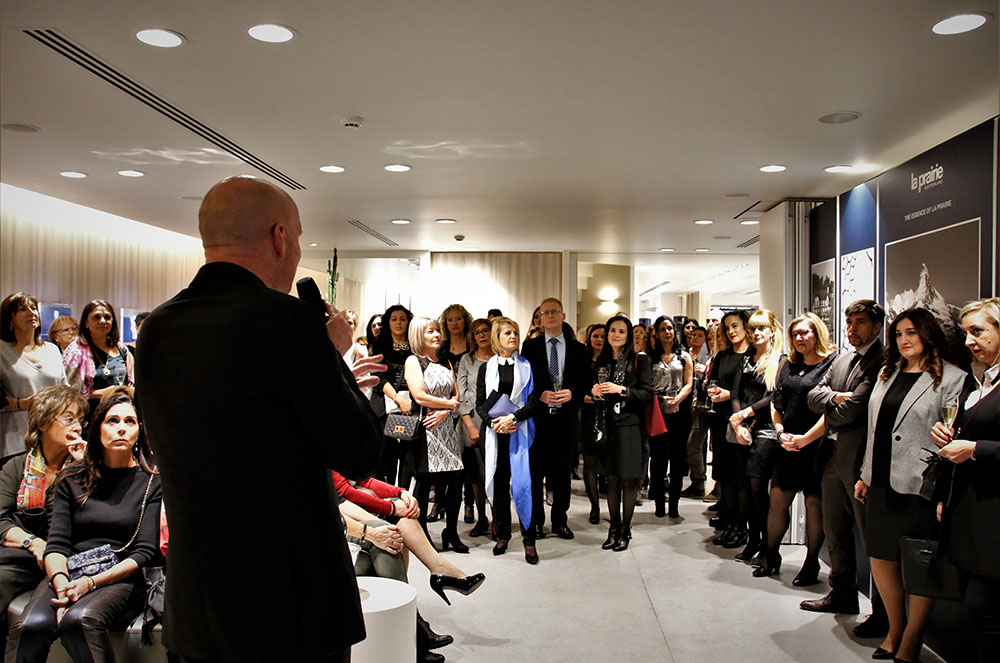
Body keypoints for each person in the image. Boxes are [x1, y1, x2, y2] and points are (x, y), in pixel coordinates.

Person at [135, 175, 382, 663]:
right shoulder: (291, 323)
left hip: (197, 605)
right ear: (279, 237)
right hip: (288, 607)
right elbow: (359, 452)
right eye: (298, 237)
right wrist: (335, 357)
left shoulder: (157, 329)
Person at [6, 392, 162, 663]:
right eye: (112, 421)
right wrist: (62, 583)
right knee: (30, 626)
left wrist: (89, 583)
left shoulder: (151, 481)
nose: (121, 428)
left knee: (79, 621)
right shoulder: (72, 479)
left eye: (129, 421)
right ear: (98, 428)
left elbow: (144, 552)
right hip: (70, 571)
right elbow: (56, 545)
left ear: (139, 431)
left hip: (121, 574)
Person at [855, 307, 967, 663]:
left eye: (911, 333)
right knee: (880, 558)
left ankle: (912, 638)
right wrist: (865, 474)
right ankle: (895, 629)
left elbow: (952, 434)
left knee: (919, 565)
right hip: (880, 481)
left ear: (928, 335)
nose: (904, 340)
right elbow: (876, 429)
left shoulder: (952, 378)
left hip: (921, 485)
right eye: (899, 334)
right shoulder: (887, 372)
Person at [803, 299, 888, 634]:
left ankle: (882, 612)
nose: (852, 328)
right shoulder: (842, 358)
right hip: (832, 455)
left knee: (871, 537)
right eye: (849, 321)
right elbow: (813, 397)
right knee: (834, 528)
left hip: (860, 460)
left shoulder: (882, 361)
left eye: (860, 322)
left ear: (877, 326)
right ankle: (842, 593)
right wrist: (837, 397)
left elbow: (856, 409)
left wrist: (832, 400)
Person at [930, 297, 1000, 663]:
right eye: (966, 333)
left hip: (993, 514)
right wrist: (948, 435)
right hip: (971, 511)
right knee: (979, 609)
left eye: (978, 331)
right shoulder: (980, 380)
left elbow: (980, 444)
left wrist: (974, 449)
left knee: (985, 609)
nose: (970, 341)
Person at [0, 385, 87, 651]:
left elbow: (91, 519)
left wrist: (83, 469)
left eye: (80, 420)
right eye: (69, 418)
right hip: (25, 558)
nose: (77, 427)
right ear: (44, 421)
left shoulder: (87, 467)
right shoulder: (17, 467)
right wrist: (33, 543)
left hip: (68, 558)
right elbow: (0, 519)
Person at [751, 312, 837, 580]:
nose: (799, 338)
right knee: (778, 500)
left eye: (805, 332)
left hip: (817, 446)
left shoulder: (832, 364)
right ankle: (770, 554)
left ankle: (811, 563)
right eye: (795, 334)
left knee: (814, 505)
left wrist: (806, 438)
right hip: (787, 444)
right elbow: (776, 404)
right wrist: (780, 433)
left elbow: (832, 410)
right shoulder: (788, 364)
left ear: (817, 333)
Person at [519, 298, 589, 540]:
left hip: (566, 419)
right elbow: (524, 382)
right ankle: (536, 522)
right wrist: (540, 395)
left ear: (563, 316)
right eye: (545, 312)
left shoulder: (578, 348)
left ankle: (560, 520)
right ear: (539, 318)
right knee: (535, 473)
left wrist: (572, 393)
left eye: (554, 311)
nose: (549, 316)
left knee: (562, 474)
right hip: (538, 419)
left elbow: (586, 381)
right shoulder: (530, 347)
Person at [475, 317, 540, 563]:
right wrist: (494, 422)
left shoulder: (527, 366)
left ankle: (529, 540)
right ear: (497, 338)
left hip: (520, 432)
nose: (513, 336)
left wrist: (513, 418)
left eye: (515, 332)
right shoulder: (487, 368)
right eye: (507, 333)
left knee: (524, 486)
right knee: (499, 486)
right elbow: (480, 403)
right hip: (495, 434)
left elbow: (533, 401)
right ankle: (502, 534)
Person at [723, 309, 784, 561]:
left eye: (761, 328)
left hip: (767, 428)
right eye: (752, 329)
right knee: (747, 488)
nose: (756, 333)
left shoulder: (780, 360)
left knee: (759, 488)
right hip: (744, 428)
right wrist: (738, 423)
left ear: (772, 330)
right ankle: (753, 540)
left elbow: (774, 395)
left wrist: (745, 413)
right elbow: (735, 392)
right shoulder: (747, 357)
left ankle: (768, 546)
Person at [403, 317, 466, 551]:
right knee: (424, 483)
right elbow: (419, 396)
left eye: (437, 330)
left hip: (447, 428)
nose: (437, 334)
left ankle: (451, 532)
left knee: (456, 481)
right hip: (426, 429)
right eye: (430, 331)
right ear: (419, 335)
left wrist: (446, 410)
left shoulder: (445, 360)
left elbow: (457, 396)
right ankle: (421, 535)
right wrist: (448, 405)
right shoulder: (414, 361)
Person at [592, 315, 653, 551]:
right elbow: (594, 388)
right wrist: (594, 390)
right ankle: (613, 528)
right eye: (612, 330)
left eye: (621, 331)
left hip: (629, 425)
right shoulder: (603, 360)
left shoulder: (638, 359)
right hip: (606, 425)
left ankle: (625, 529)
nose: (616, 335)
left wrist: (622, 390)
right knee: (611, 480)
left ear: (628, 336)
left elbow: (647, 394)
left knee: (628, 480)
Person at [1, 293, 69, 459]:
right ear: (10, 318)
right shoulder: (2, 351)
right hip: (14, 441)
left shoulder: (52, 350)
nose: (31, 313)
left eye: (33, 308)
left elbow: (64, 389)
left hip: (53, 437)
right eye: (22, 309)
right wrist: (22, 403)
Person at [705, 311, 751, 534]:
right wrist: (712, 391)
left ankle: (740, 526)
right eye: (727, 328)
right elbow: (711, 382)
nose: (731, 331)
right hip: (720, 417)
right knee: (725, 474)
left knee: (739, 475)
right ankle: (729, 521)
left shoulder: (752, 356)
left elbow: (753, 391)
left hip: (742, 419)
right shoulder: (723, 355)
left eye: (735, 326)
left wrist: (729, 394)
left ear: (745, 327)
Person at [647, 316, 693, 518]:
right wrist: (660, 400)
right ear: (656, 333)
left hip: (679, 411)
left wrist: (677, 400)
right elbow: (646, 384)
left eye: (670, 328)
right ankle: (659, 502)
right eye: (662, 329)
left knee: (677, 459)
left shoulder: (684, 356)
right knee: (657, 459)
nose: (667, 332)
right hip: (657, 411)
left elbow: (689, 383)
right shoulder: (650, 357)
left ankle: (674, 503)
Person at [62, 300, 134, 414]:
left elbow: (131, 383)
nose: (103, 321)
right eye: (97, 317)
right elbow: (67, 392)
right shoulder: (76, 352)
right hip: (88, 415)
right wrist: (100, 393)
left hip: (119, 413)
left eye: (107, 317)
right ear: (86, 322)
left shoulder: (121, 349)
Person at [457, 318, 494, 537]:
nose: (481, 335)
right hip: (471, 422)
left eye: (485, 330)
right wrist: (470, 427)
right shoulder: (466, 360)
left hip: (496, 421)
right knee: (476, 476)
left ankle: (499, 519)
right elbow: (461, 395)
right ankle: (482, 518)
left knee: (496, 474)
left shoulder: (501, 358)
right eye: (477, 332)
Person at [370, 304, 414, 486]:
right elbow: (377, 377)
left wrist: (406, 402)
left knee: (407, 456)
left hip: (409, 408)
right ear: (388, 323)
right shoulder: (379, 345)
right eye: (394, 319)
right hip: (383, 408)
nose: (398, 323)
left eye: (402, 319)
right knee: (383, 456)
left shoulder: (414, 347)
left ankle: (403, 494)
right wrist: (397, 398)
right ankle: (383, 497)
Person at [681, 325, 711, 498]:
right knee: (693, 445)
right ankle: (698, 481)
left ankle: (717, 487)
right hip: (696, 403)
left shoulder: (713, 355)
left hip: (712, 403)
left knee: (711, 446)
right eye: (693, 335)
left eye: (700, 335)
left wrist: (706, 371)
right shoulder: (687, 354)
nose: (695, 338)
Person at [580, 324, 606, 524]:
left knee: (608, 463)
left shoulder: (613, 361)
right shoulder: (582, 361)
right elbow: (577, 391)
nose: (599, 339)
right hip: (588, 415)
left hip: (609, 417)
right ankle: (594, 506)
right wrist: (592, 398)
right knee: (589, 463)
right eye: (595, 336)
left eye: (603, 336)